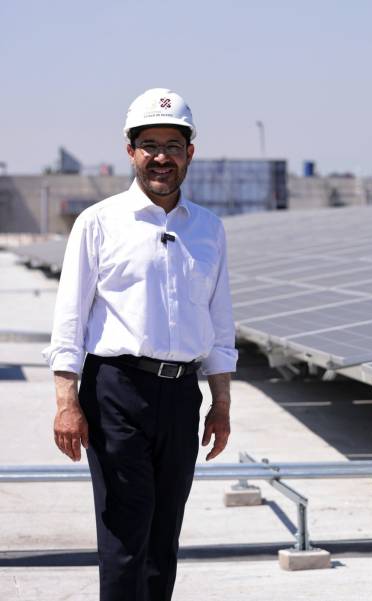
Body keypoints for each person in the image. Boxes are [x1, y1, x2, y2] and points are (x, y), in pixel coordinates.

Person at [44, 88, 238, 601]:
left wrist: (221, 404)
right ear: (130, 151)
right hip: (116, 393)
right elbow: (69, 320)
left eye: (173, 145)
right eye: (148, 144)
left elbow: (219, 322)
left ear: (189, 153)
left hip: (180, 398)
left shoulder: (209, 230)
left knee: (163, 538)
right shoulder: (99, 223)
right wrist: (67, 402)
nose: (161, 156)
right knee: (126, 536)